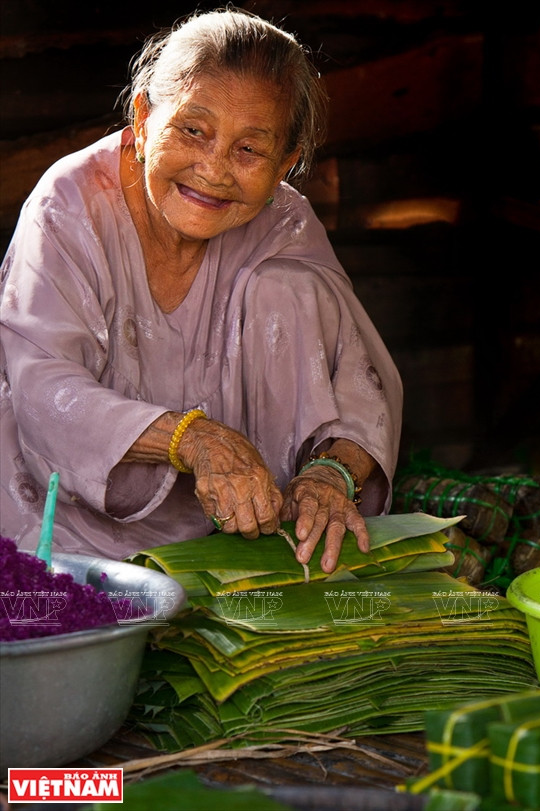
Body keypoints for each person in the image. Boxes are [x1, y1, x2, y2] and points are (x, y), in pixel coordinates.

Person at [0, 7, 402, 573]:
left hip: (248, 529)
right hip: (71, 527)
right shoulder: (69, 205)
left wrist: (331, 475)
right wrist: (193, 438)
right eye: (192, 130)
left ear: (285, 163)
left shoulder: (285, 224)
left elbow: (358, 386)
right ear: (142, 119)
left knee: (287, 288)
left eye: (250, 150)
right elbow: (42, 385)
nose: (213, 171)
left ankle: (274, 546)